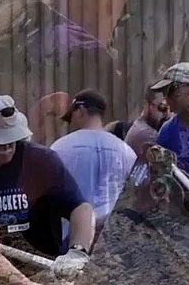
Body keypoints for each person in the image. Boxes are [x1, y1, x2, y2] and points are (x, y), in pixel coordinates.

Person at [0, 94, 96, 271]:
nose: (5, 146)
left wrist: (77, 252)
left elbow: (80, 208)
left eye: (10, 140)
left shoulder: (41, 161)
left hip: (45, 268)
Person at [50, 89, 138, 227]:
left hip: (74, 231)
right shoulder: (126, 151)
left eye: (71, 117)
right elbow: (136, 192)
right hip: (113, 231)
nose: (70, 123)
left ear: (81, 111)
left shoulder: (60, 148)